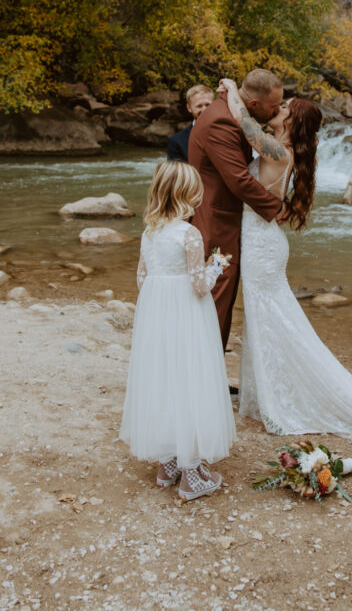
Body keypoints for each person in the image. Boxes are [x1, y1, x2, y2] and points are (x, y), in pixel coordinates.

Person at [218, 77, 352, 446]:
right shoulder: (282, 150)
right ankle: (263, 398)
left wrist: (232, 88)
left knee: (273, 322)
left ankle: (282, 403)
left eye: (284, 108)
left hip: (262, 248)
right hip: (261, 242)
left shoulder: (278, 152)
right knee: (264, 322)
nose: (278, 109)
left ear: (291, 123)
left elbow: (244, 122)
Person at [119, 161, 236, 501]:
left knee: (165, 381)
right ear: (188, 195)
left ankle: (166, 463)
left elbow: (142, 279)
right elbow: (199, 287)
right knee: (189, 382)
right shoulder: (190, 234)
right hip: (187, 318)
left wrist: (160, 297)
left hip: (156, 318)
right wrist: (216, 267)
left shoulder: (149, 233)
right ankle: (190, 476)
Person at [188, 69, 285, 351]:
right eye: (274, 106)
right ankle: (204, 379)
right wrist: (278, 209)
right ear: (253, 105)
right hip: (216, 223)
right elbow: (239, 180)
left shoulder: (230, 111)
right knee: (215, 300)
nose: (278, 109)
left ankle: (211, 375)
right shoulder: (221, 121)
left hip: (223, 220)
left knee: (219, 300)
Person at [167, 84, 214, 163]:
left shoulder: (227, 133)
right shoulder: (176, 141)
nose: (204, 110)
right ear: (189, 108)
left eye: (207, 105)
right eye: (199, 106)